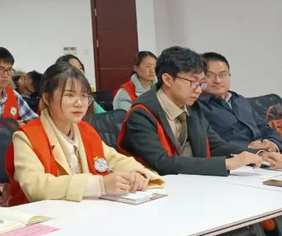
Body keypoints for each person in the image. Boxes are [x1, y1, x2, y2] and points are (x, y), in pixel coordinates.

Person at [7, 62, 162, 205]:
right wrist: (99, 185)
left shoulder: (85, 130)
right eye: (69, 95)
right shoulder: (27, 136)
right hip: (41, 217)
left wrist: (137, 173)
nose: (79, 103)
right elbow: (35, 186)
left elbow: (114, 159)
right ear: (47, 98)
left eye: (83, 96)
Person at [118, 46, 282, 175]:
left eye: (201, 83)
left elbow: (216, 145)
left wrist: (259, 154)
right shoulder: (142, 113)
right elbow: (161, 162)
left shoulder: (191, 106)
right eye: (193, 82)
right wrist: (225, 164)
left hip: (192, 183)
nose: (198, 90)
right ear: (167, 79)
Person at [198, 52, 282, 152]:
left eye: (223, 75)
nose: (218, 80)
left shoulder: (240, 100)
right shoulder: (197, 106)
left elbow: (265, 128)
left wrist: (272, 145)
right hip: (237, 157)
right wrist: (251, 150)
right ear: (200, 78)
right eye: (210, 75)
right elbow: (215, 145)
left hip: (266, 155)